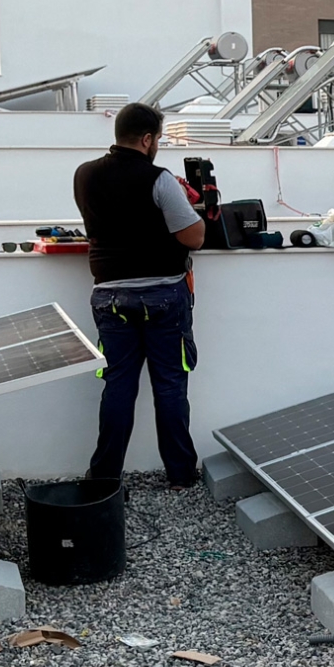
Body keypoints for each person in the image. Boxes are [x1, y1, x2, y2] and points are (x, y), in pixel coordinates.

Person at [74, 102, 208, 487]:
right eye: (158, 140)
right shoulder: (159, 179)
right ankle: (181, 475)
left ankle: (103, 476)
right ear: (147, 139)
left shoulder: (84, 175)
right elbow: (194, 237)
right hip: (163, 295)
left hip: (109, 297)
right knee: (169, 385)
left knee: (118, 384)